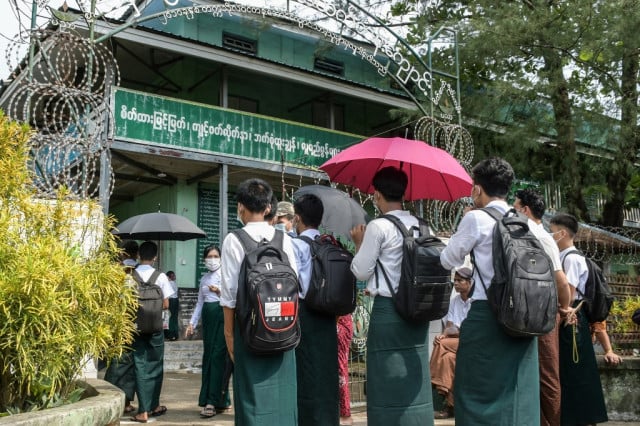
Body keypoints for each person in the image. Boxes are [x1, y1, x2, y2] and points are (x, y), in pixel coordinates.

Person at [439, 157, 540, 425]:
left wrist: (463, 227)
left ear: (477, 189)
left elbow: (447, 260)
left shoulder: (475, 218)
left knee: (474, 387)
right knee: (517, 389)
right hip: (524, 314)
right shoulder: (523, 221)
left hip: (487, 313)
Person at [350, 166, 434, 426]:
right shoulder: (422, 226)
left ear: (377, 195)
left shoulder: (378, 226)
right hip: (418, 311)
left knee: (385, 377)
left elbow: (361, 270)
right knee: (413, 377)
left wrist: (358, 244)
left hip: (389, 310)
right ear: (404, 193)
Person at [220, 178, 299, 425]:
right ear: (268, 208)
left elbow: (229, 296)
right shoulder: (284, 239)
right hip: (285, 330)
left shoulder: (234, 240)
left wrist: (229, 336)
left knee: (251, 399)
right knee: (284, 399)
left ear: (241, 206)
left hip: (249, 333)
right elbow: (297, 285)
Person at [514, 188, 572, 426]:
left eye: (516, 207)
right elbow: (561, 282)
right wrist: (564, 307)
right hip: (541, 310)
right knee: (544, 372)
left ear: (525, 210)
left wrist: (565, 307)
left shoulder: (537, 235)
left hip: (529, 311)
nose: (513, 211)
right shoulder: (533, 235)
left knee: (544, 373)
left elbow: (561, 280)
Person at [550, 213, 608, 425]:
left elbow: (569, 292)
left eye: (552, 230)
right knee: (569, 368)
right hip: (569, 315)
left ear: (562, 233)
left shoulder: (571, 258)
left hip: (571, 316)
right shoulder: (564, 257)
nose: (550, 235)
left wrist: (562, 309)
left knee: (574, 368)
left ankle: (581, 418)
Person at [290, 193, 339, 425]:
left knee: (306, 373)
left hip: (304, 315)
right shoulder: (329, 242)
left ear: (297, 218)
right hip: (329, 317)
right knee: (327, 372)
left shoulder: (295, 245)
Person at [129, 241, 175, 423]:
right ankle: (154, 405)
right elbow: (166, 304)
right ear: (155, 257)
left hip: (135, 328)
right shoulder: (161, 277)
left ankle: (143, 411)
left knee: (140, 366)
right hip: (156, 328)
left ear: (139, 256)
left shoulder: (130, 276)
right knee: (156, 365)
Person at [185, 245, 232, 418]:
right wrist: (192, 323)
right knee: (209, 357)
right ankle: (217, 400)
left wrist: (218, 291)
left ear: (220, 257)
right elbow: (199, 303)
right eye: (209, 256)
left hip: (222, 316)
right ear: (205, 259)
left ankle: (214, 400)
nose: (212, 259)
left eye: (215, 256)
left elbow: (231, 299)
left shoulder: (226, 275)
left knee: (218, 357)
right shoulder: (204, 278)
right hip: (208, 319)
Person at [430, 266, 474, 420]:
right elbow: (449, 325)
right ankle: (449, 408)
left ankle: (432, 378)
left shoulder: (475, 302)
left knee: (441, 344)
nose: (455, 283)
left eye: (459, 280)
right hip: (454, 341)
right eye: (454, 280)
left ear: (469, 283)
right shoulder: (454, 301)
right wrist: (444, 334)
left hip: (469, 341)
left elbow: (468, 331)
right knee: (447, 358)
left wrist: (449, 334)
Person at [104, 239, 139, 415]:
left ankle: (114, 400)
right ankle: (125, 402)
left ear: (122, 253)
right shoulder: (140, 273)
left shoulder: (117, 273)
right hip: (133, 324)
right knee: (128, 364)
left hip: (118, 323)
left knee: (117, 363)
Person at [337, 314, 353, 426]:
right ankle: (343, 412)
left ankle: (344, 414)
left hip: (340, 321)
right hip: (342, 320)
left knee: (340, 369)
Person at [164, 271, 180, 341]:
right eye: (173, 276)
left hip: (171, 300)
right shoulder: (174, 283)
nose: (175, 277)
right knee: (174, 317)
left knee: (170, 317)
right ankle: (175, 334)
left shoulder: (169, 283)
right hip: (176, 300)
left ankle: (170, 334)